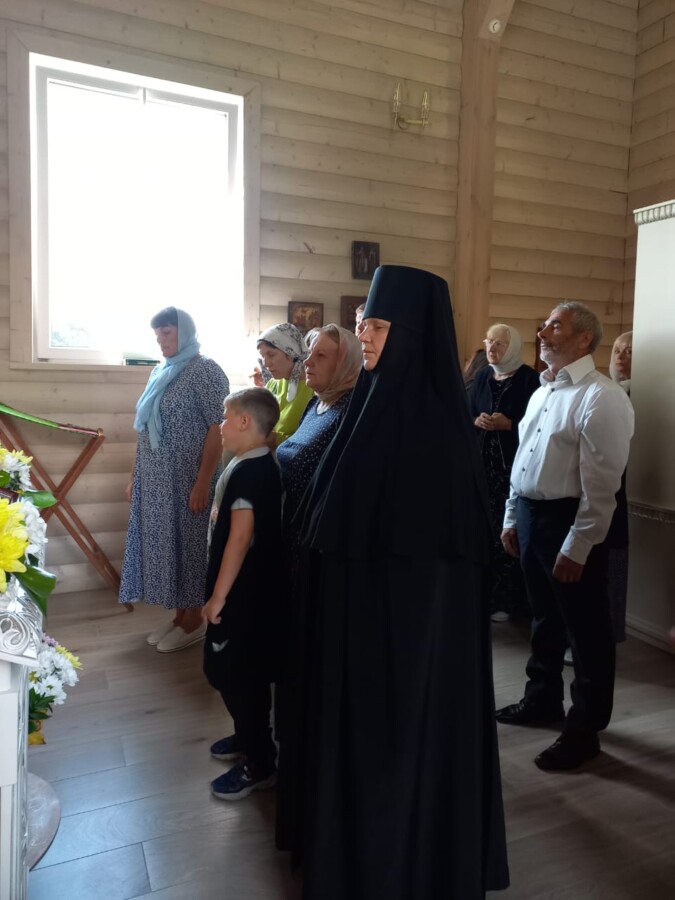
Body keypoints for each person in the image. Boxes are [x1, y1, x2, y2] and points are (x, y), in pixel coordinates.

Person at [280, 266, 509, 899]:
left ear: (412, 333)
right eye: (363, 324)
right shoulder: (365, 412)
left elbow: (435, 580)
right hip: (353, 639)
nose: (365, 336)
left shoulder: (439, 436)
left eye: (377, 326)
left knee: (396, 758)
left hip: (404, 657)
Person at [498, 302, 634, 771]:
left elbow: (603, 486)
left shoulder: (602, 397)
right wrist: (511, 517)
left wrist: (578, 545)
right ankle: (542, 700)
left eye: (556, 325)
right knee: (544, 618)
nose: (543, 331)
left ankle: (584, 731)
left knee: (587, 628)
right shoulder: (542, 392)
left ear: (584, 339)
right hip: (532, 516)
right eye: (545, 325)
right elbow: (523, 461)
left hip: (570, 521)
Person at [120, 307, 229, 652]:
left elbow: (217, 427)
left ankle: (194, 620)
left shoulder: (206, 370)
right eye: (157, 335)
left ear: (185, 331)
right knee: (169, 547)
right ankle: (180, 617)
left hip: (188, 479)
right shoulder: (161, 371)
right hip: (156, 481)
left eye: (167, 333)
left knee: (190, 546)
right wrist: (136, 477)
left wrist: (203, 481)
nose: (161, 341)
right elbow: (144, 429)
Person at [202, 388, 284, 800]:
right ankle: (248, 735)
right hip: (246, 593)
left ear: (244, 421)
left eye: (225, 416)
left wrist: (218, 597)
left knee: (237, 676)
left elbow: (240, 538)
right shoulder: (252, 463)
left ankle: (259, 761)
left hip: (242, 597)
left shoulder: (252, 472)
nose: (220, 425)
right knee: (236, 674)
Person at [470, 324, 540, 621]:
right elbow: (468, 409)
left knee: (508, 535)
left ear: (512, 348)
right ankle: (485, 597)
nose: (492, 348)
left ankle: (511, 602)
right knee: (482, 533)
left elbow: (538, 425)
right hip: (482, 468)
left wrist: (509, 424)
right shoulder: (483, 375)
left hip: (512, 469)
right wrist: (477, 420)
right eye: (489, 341)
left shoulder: (530, 380)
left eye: (499, 343)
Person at [606, 330, 633, 642]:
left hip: (623, 487)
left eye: (630, 351)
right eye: (617, 349)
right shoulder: (608, 391)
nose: (621, 355)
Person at [257, 324, 314, 445]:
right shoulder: (272, 385)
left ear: (291, 352)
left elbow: (313, 441)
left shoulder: (314, 389)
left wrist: (274, 439)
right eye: (262, 356)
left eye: (271, 355)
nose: (266, 363)